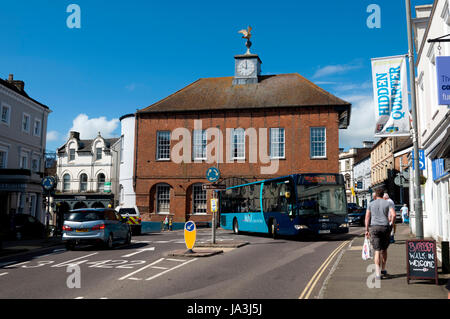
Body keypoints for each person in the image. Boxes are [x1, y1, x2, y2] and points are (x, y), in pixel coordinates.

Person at [365, 188, 396, 280]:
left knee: (377, 250)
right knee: (384, 249)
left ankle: (378, 274)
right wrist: (391, 224)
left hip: (374, 227)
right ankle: (383, 268)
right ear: (383, 195)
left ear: (375, 195)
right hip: (385, 227)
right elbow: (393, 215)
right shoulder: (388, 203)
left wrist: (366, 229)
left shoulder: (370, 204)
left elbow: (367, 217)